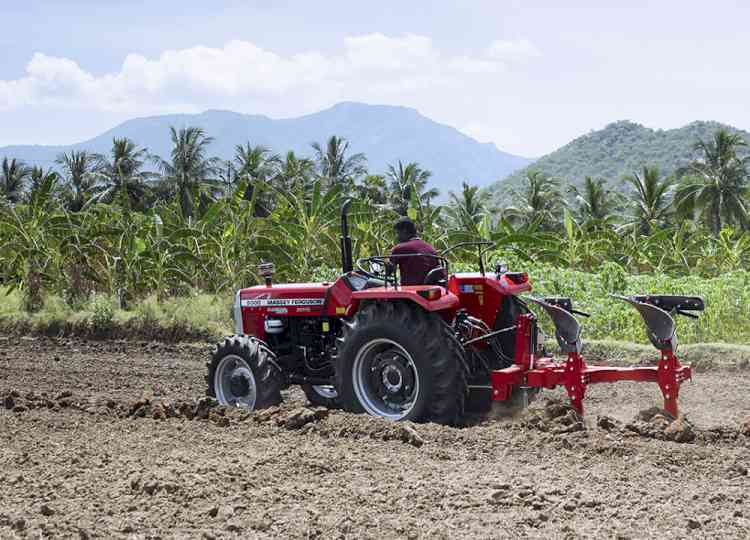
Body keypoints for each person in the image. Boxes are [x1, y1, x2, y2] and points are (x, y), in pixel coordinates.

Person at [389, 217, 440, 286]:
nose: (397, 237)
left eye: (398, 233)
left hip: (410, 288)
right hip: (429, 288)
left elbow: (388, 272)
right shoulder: (430, 248)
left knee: (370, 283)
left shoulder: (399, 248)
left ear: (404, 231)